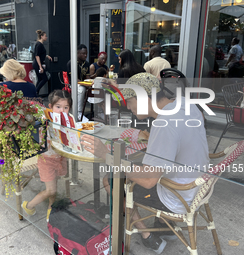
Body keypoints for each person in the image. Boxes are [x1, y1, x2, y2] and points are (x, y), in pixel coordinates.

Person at [81, 73, 209, 254]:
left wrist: (106, 155)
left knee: (110, 180)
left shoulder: (164, 123)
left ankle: (147, 235)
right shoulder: (187, 105)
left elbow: (148, 180)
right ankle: (165, 227)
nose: (128, 106)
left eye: (130, 100)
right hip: (198, 186)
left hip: (179, 197)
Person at [22, 90, 71, 221]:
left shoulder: (68, 119)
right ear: (51, 106)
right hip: (46, 159)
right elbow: (38, 139)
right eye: (58, 107)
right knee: (51, 190)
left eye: (66, 107)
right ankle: (29, 205)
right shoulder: (45, 120)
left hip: (60, 157)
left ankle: (51, 208)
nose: (62, 110)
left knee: (54, 186)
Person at [67, 44, 90, 119]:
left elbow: (87, 77)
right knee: (81, 89)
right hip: (73, 84)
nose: (85, 55)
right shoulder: (72, 63)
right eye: (83, 53)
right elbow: (74, 79)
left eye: (86, 53)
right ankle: (79, 113)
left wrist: (90, 82)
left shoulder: (86, 64)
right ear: (77, 53)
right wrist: (84, 84)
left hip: (83, 83)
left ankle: (99, 112)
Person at [32, 29, 52, 94]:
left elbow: (40, 54)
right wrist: (40, 66)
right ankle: (35, 91)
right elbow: (37, 56)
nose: (46, 37)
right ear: (41, 36)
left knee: (40, 79)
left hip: (37, 63)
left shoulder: (40, 44)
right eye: (45, 36)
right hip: (37, 64)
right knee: (44, 78)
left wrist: (46, 56)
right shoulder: (39, 44)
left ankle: (35, 92)